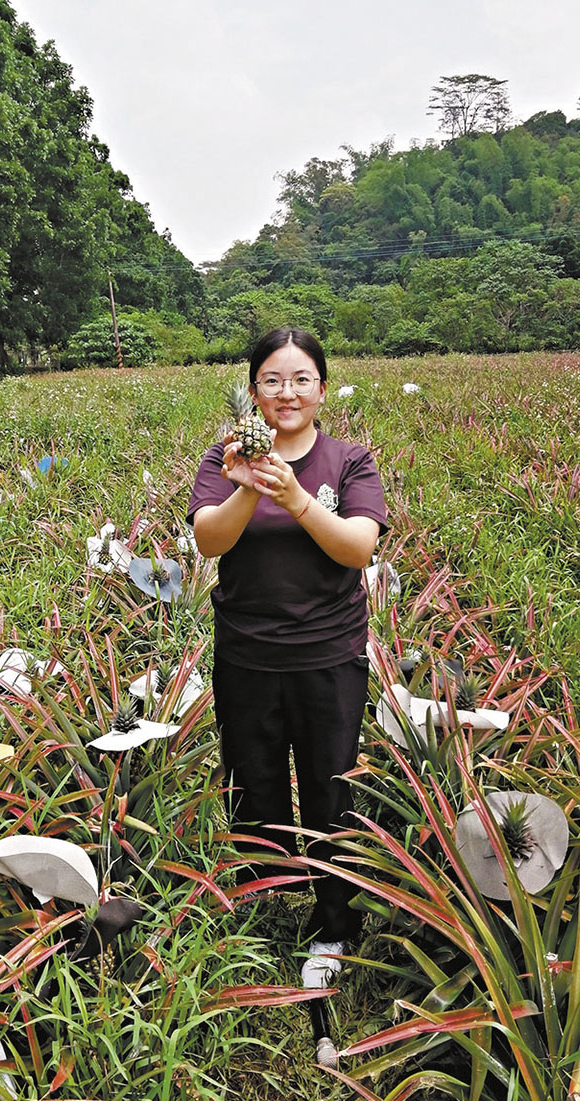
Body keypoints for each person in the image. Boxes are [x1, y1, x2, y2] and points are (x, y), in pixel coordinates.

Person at [187, 328, 387, 997]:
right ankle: (268, 899)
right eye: (272, 379)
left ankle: (335, 922)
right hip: (246, 652)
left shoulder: (347, 461)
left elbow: (357, 548)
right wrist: (248, 486)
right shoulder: (224, 456)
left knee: (330, 788)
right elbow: (209, 537)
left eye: (301, 378)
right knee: (254, 780)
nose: (287, 392)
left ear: (321, 389)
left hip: (328, 653)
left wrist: (295, 495)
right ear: (253, 392)